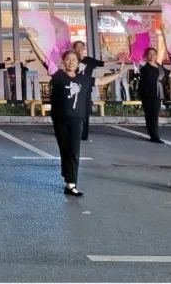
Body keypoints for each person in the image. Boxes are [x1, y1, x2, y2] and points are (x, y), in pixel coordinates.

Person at [28, 35, 126, 196]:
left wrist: (118, 74)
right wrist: (33, 40)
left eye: (74, 59)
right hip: (60, 120)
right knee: (64, 149)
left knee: (74, 150)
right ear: (63, 61)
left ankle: (71, 184)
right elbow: (44, 58)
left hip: (77, 120)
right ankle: (67, 175)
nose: (71, 62)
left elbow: (101, 81)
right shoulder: (58, 75)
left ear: (78, 63)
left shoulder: (84, 79)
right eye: (68, 59)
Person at [71, 41, 106, 141]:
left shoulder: (89, 60)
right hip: (74, 88)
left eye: (81, 47)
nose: (79, 49)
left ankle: (84, 134)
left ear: (84, 48)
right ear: (74, 49)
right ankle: (72, 132)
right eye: (77, 47)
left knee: (85, 111)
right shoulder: (72, 60)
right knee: (73, 110)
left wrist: (119, 60)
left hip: (86, 89)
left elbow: (103, 63)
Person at [137, 47, 166, 143]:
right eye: (149, 53)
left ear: (156, 55)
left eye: (154, 53)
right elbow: (137, 62)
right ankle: (153, 135)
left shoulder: (160, 67)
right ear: (146, 55)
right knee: (149, 115)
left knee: (154, 115)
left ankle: (154, 136)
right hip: (146, 94)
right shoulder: (143, 66)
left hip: (157, 94)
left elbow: (168, 74)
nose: (152, 55)